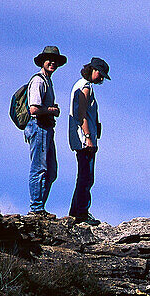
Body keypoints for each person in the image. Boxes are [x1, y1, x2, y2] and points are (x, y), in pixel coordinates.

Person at [68, 57, 110, 225]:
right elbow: (82, 114)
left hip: (81, 140)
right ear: (93, 70)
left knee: (83, 176)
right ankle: (82, 214)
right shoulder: (85, 87)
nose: (101, 79)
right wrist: (88, 138)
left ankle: (75, 213)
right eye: (100, 74)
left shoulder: (81, 85)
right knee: (87, 176)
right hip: (85, 141)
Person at [26, 45, 66, 216]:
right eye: (49, 60)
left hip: (46, 128)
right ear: (42, 61)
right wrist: (51, 111)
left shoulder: (47, 81)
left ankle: (39, 206)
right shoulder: (39, 81)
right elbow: (33, 109)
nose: (53, 63)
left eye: (55, 60)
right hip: (39, 126)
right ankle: (36, 208)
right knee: (40, 168)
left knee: (50, 170)